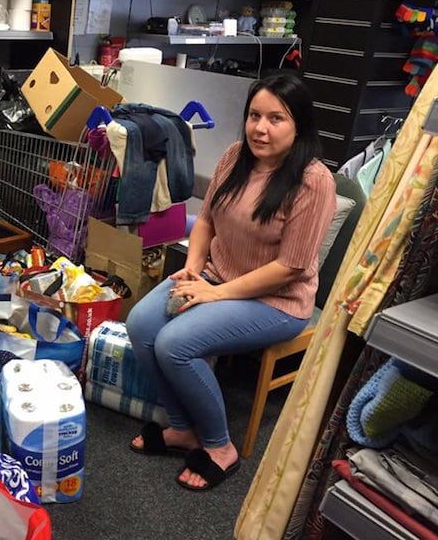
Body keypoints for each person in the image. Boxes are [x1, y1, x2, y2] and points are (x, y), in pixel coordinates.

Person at [125, 74, 337, 492]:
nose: (261, 128)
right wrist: (194, 267)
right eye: (255, 116)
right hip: (215, 277)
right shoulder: (235, 156)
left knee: (176, 344)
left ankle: (221, 448)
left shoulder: (314, 181)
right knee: (141, 325)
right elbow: (205, 219)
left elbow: (291, 267)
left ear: (300, 126)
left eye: (277, 118)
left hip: (277, 300)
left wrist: (215, 292)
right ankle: (185, 428)